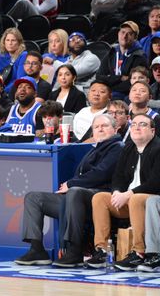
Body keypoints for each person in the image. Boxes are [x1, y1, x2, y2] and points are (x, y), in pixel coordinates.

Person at [14, 114, 123, 267]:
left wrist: (71, 184)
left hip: (99, 197)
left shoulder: (117, 147)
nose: (100, 129)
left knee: (75, 191)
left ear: (115, 129)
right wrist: (72, 186)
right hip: (76, 198)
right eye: (96, 127)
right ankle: (37, 249)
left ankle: (75, 250)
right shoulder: (95, 148)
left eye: (104, 126)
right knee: (34, 198)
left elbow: (101, 173)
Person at [85, 114, 160, 270]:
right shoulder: (128, 148)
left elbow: (155, 183)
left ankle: (138, 252)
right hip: (130, 200)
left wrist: (129, 194)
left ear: (152, 131)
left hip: (150, 199)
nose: (137, 127)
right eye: (133, 125)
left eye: (143, 124)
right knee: (99, 198)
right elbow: (117, 177)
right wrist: (117, 192)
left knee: (136, 199)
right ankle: (102, 250)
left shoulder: (158, 148)